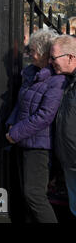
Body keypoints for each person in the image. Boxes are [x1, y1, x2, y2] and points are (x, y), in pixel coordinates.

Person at [6, 29, 65, 223]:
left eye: (32, 50)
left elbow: (45, 116)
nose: (29, 54)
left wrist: (16, 132)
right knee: (27, 194)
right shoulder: (32, 75)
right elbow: (21, 103)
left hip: (39, 146)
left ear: (43, 52)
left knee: (34, 195)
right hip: (24, 140)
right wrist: (11, 125)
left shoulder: (56, 81)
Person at [49, 35, 76, 217]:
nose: (50, 62)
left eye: (54, 57)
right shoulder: (67, 81)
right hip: (69, 160)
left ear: (71, 57)